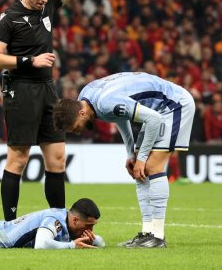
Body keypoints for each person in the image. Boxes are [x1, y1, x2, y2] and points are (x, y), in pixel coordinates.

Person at [0, 0, 125, 221]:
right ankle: (10, 224)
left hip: (47, 89)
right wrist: (30, 60)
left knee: (57, 159)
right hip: (20, 89)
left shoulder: (48, 4)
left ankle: (58, 221)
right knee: (19, 158)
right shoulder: (9, 18)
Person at [53, 72, 196, 248]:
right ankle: (147, 234)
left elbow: (154, 119)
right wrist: (131, 154)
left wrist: (142, 158)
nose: (78, 132)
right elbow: (119, 116)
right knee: (139, 168)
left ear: (81, 113)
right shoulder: (86, 97)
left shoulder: (104, 104)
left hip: (174, 105)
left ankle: (157, 237)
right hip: (157, 110)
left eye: (75, 127)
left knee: (152, 166)